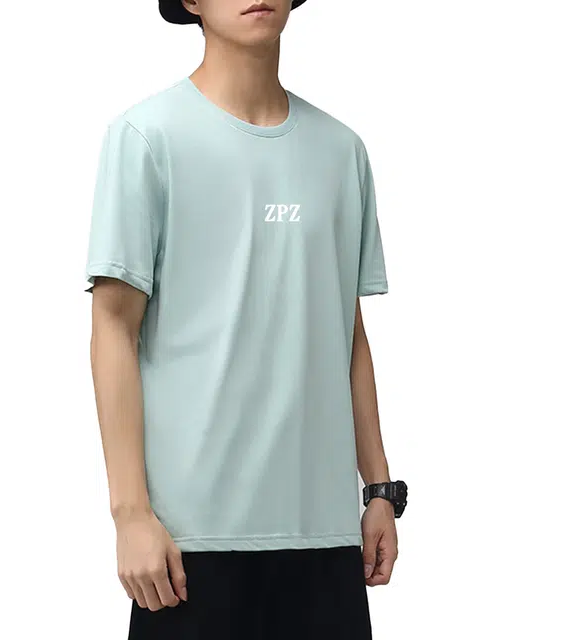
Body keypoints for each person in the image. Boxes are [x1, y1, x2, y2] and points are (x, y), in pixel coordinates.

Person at [84, 1, 408, 638]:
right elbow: (112, 328)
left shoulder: (342, 151)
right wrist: (130, 514)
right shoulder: (148, 137)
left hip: (323, 539)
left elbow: (346, 332)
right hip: (189, 546)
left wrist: (378, 489)